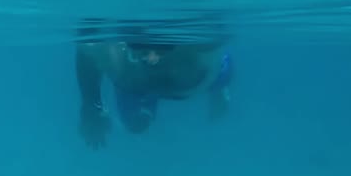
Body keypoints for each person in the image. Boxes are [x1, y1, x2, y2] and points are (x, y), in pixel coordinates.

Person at [74, 28, 234, 148]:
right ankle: (147, 102)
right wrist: (92, 104)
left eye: (163, 47)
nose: (152, 58)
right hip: (137, 81)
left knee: (219, 74)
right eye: (141, 48)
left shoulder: (200, 49)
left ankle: (218, 88)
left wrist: (91, 103)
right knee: (134, 125)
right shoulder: (118, 59)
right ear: (127, 43)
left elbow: (219, 35)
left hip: (195, 78)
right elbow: (87, 51)